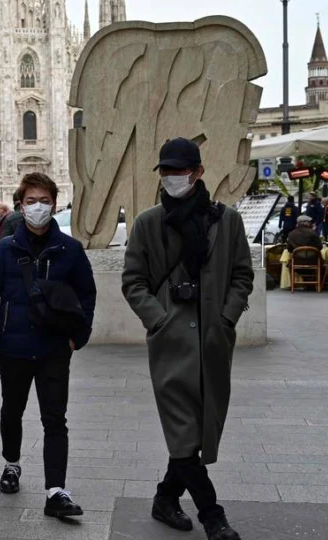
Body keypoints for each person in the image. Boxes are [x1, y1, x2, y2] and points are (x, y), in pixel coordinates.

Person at [121, 137, 253, 540]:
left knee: (193, 435)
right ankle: (213, 517)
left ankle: (165, 498)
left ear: (197, 172)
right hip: (171, 344)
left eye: (179, 170)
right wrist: (158, 321)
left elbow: (242, 275)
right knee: (182, 431)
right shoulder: (147, 223)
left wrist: (227, 318)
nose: (171, 178)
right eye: (165, 171)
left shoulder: (226, 220)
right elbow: (133, 282)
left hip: (213, 342)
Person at [0, 172, 97, 518]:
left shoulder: (69, 250)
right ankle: (12, 463)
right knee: (12, 411)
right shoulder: (5, 251)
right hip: (12, 347)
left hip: (54, 349)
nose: (38, 207)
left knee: (55, 418)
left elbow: (88, 295)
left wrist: (79, 336)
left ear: (54, 204)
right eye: (31, 201)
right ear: (20, 206)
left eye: (44, 201)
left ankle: (56, 491)